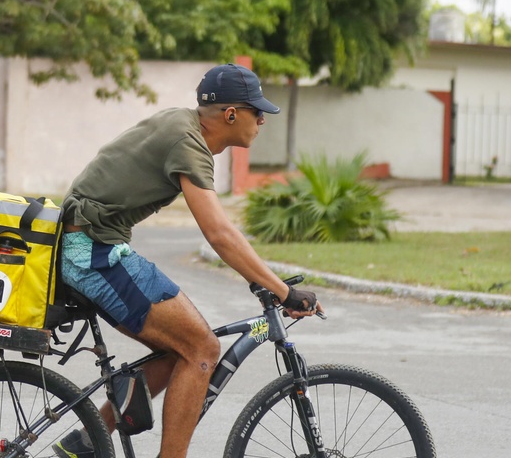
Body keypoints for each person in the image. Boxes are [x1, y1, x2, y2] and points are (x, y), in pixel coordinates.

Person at [52, 63, 323, 458]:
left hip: (95, 247)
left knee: (181, 344)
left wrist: (263, 280)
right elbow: (219, 234)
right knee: (202, 349)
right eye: (257, 111)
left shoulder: (183, 127)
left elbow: (222, 236)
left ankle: (87, 439)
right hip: (92, 253)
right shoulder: (188, 141)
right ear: (231, 114)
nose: (262, 120)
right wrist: (283, 291)